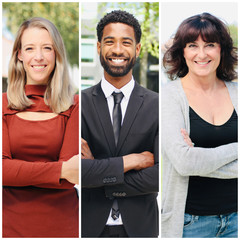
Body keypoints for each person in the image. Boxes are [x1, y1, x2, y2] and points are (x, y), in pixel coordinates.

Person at [81, 10, 159, 237]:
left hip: (141, 228)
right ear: (98, 47)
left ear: (137, 49)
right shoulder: (79, 104)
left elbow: (158, 176)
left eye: (126, 42)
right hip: (89, 227)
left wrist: (99, 172)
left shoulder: (157, 105)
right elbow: (80, 172)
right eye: (109, 42)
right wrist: (133, 160)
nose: (117, 50)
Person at [161, 12, 238, 238]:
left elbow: (192, 161)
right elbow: (184, 163)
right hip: (189, 224)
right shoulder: (169, 97)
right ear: (182, 51)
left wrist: (200, 158)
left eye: (210, 45)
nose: (202, 54)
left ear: (221, 49)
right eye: (193, 45)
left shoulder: (237, 93)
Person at [2, 17, 79, 237]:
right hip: (9, 226)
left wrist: (18, 170)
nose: (38, 57)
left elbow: (71, 178)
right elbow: (2, 172)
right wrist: (60, 170)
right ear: (20, 55)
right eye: (29, 48)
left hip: (62, 225)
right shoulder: (2, 105)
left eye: (47, 48)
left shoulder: (74, 105)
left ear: (57, 54)